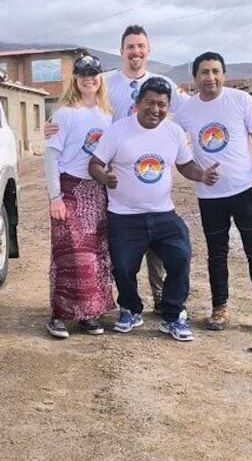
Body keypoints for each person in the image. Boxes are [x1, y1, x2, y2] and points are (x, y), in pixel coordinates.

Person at [47, 26, 188, 313]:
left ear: (148, 50)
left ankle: (160, 299)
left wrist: (244, 108)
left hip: (143, 177)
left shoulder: (164, 84)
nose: (135, 52)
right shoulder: (108, 84)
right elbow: (72, 126)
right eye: (130, 47)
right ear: (122, 51)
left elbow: (190, 110)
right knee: (110, 248)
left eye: (140, 46)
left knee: (155, 246)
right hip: (109, 181)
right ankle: (111, 305)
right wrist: (49, 129)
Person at [89, 77, 219, 342]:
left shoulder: (173, 132)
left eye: (162, 104)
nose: (156, 109)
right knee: (123, 267)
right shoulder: (117, 131)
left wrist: (202, 175)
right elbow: (95, 163)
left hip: (163, 213)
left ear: (168, 106)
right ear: (137, 104)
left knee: (180, 256)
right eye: (150, 102)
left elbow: (184, 165)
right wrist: (104, 178)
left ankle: (173, 315)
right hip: (124, 216)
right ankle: (130, 309)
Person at [174, 52, 252, 338]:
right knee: (217, 253)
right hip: (210, 196)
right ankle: (220, 308)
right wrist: (199, 174)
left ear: (223, 74)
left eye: (215, 71)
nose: (210, 77)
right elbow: (175, 149)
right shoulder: (187, 111)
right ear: (195, 77)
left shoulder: (240, 100)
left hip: (245, 190)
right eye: (204, 72)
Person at [44, 52, 116, 339]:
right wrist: (55, 196)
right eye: (83, 75)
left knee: (95, 255)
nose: (89, 79)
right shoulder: (64, 114)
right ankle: (59, 315)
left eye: (94, 74)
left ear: (100, 79)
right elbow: (50, 156)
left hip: (96, 190)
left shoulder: (107, 115)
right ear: (75, 79)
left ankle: (89, 313)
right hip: (69, 188)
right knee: (69, 253)